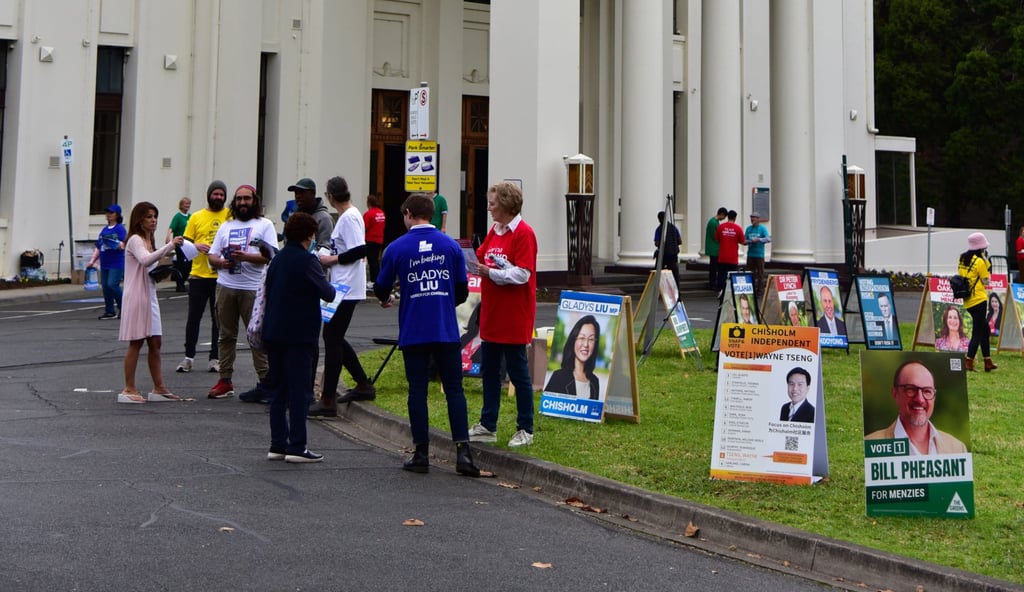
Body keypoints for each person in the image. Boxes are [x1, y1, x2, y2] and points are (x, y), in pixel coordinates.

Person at [374, 193, 481, 476]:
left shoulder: (396, 248)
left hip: (414, 329)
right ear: (432, 214)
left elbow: (382, 287)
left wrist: (392, 296)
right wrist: (442, 299)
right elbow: (461, 290)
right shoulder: (451, 246)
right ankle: (463, 453)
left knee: (417, 390)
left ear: (409, 213)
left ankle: (421, 452)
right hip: (445, 329)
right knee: (454, 390)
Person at [262, 212, 337, 463]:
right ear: (309, 235)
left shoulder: (278, 259)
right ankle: (297, 446)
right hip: (300, 334)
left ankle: (277, 444)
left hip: (274, 332)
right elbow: (327, 293)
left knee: (278, 390)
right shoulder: (308, 261)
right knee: (299, 391)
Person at [468, 182, 538, 448]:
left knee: (518, 372)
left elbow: (523, 274)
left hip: (514, 314)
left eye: (493, 203)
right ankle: (488, 424)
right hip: (493, 313)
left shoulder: (523, 234)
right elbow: (482, 256)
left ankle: (526, 428)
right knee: (489, 371)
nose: (489, 208)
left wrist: (491, 273)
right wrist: (476, 266)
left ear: (507, 205)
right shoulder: (494, 231)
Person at [309, 176, 376, 417]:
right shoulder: (350, 215)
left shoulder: (348, 217)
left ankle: (328, 400)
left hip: (346, 287)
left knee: (332, 336)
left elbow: (360, 249)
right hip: (341, 285)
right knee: (334, 336)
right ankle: (362, 384)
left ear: (330, 196)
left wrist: (331, 259)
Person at [206, 185, 278, 400]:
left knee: (256, 335)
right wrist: (222, 262)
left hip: (253, 288)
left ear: (254, 200)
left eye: (246, 199)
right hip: (225, 286)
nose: (242, 203)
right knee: (225, 335)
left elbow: (271, 255)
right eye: (239, 199)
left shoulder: (264, 225)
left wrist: (245, 257)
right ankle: (225, 380)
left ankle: (266, 382)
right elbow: (212, 256)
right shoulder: (226, 226)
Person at [117, 202, 184, 403]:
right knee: (136, 341)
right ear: (139, 219)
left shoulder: (148, 239)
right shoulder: (135, 240)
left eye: (155, 216)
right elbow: (146, 261)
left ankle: (159, 387)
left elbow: (149, 266)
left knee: (155, 342)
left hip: (149, 293)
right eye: (148, 216)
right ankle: (128, 388)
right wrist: (170, 245)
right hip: (137, 296)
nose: (153, 220)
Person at [178, 181, 230, 374]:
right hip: (198, 275)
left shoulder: (229, 216)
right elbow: (184, 244)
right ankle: (188, 357)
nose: (218, 197)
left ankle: (215, 358)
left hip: (222, 276)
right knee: (194, 318)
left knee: (219, 319)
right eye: (215, 194)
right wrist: (196, 245)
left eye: (221, 194)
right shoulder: (196, 217)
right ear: (209, 195)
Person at [865, 360, 967, 455]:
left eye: (927, 391)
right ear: (895, 393)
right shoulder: (870, 445)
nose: (920, 399)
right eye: (911, 389)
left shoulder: (958, 449)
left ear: (934, 397)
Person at [959, 232, 995, 371]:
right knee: (977, 332)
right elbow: (986, 281)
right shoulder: (980, 262)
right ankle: (969, 361)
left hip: (967, 300)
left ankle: (988, 361)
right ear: (981, 247)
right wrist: (986, 262)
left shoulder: (962, 259)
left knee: (985, 329)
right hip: (979, 299)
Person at [543, 316, 601, 399]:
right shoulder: (558, 377)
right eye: (582, 338)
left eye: (591, 339)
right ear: (573, 340)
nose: (586, 344)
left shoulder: (595, 382)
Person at [87, 204, 127, 320]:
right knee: (105, 286)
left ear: (117, 215)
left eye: (111, 213)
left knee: (112, 284)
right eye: (107, 212)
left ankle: (123, 307)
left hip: (117, 262)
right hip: (105, 262)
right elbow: (99, 247)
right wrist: (92, 261)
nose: (109, 215)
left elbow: (125, 243)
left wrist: (117, 244)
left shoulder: (120, 228)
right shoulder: (104, 230)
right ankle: (109, 310)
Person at [288, 177, 333, 248]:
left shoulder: (324, 218)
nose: (298, 196)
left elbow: (325, 248)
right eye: (296, 193)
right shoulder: (294, 218)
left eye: (302, 192)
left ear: (313, 193)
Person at [165, 197, 192, 292]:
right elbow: (171, 228)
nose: (187, 206)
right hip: (179, 243)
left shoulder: (190, 216)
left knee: (189, 264)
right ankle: (179, 284)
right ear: (181, 205)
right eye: (185, 204)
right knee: (182, 263)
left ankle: (182, 280)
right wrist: (168, 237)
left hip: (188, 244)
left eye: (188, 204)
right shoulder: (178, 216)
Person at [713, 210, 744, 292]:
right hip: (732, 257)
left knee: (721, 274)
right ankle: (730, 291)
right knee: (732, 274)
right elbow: (742, 241)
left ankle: (720, 290)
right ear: (735, 218)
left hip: (722, 256)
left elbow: (716, 239)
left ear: (728, 217)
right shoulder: (738, 228)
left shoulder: (721, 227)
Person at [744, 212, 771, 297]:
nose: (752, 220)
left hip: (759, 255)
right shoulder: (748, 229)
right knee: (750, 273)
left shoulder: (762, 228)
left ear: (758, 219)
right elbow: (745, 239)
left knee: (760, 274)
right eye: (751, 218)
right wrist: (747, 242)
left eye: (754, 218)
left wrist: (759, 239)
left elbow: (768, 239)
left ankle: (760, 291)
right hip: (750, 254)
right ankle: (751, 290)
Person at [653, 211, 681, 289]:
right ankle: (676, 289)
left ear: (659, 219)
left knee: (658, 271)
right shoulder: (673, 228)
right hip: (673, 254)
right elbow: (680, 241)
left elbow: (657, 243)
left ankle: (658, 288)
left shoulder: (659, 229)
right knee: (674, 273)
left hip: (663, 255)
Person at [363, 193, 386, 288]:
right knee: (375, 260)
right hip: (379, 239)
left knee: (372, 261)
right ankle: (377, 279)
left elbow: (364, 227)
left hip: (370, 239)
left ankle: (373, 281)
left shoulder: (369, 214)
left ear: (369, 203)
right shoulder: (381, 213)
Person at [704, 207, 727, 290]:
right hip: (714, 248)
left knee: (714, 267)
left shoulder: (715, 222)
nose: (724, 219)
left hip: (714, 247)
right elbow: (715, 236)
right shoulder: (713, 223)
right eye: (724, 217)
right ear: (721, 214)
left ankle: (713, 282)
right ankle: (712, 283)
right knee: (713, 267)